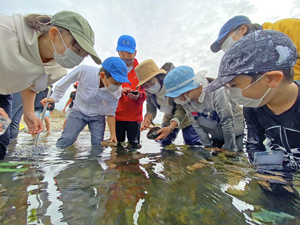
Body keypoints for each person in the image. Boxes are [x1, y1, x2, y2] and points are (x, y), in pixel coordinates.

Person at [0, 10, 101, 158]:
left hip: (4, 92)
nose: (78, 58)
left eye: (83, 54)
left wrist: (29, 112)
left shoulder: (57, 70)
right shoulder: (6, 32)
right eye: (76, 48)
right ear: (53, 33)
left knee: (3, 138)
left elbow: (31, 85)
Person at [204, 29, 300, 171]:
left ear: (272, 78)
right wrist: (272, 173)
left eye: (234, 85)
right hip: (282, 162)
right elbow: (254, 146)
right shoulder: (253, 107)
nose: (231, 93)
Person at [41, 57, 130, 148]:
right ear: (103, 75)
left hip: (97, 115)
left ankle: (94, 160)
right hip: (78, 111)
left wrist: (113, 135)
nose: (118, 86)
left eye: (121, 83)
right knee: (67, 139)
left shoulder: (116, 92)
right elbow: (66, 82)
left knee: (98, 144)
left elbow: (109, 112)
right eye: (115, 83)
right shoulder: (85, 72)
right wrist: (54, 97)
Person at [164, 66, 244, 151]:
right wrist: (208, 146)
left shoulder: (217, 93)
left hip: (236, 133)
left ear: (187, 91)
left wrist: (229, 149)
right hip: (216, 135)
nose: (177, 100)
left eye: (177, 96)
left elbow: (227, 122)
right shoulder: (187, 102)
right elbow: (197, 125)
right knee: (213, 157)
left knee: (233, 156)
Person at [210, 15, 300, 80]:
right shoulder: (252, 65)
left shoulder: (285, 28)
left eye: (225, 41)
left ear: (242, 29)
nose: (225, 48)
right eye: (222, 46)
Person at [135, 59, 201, 146]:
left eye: (150, 81)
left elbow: (181, 109)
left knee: (192, 142)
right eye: (145, 85)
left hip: (186, 114)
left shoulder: (172, 85)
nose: (149, 86)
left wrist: (170, 128)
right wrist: (148, 118)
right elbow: (151, 108)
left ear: (158, 76)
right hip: (168, 114)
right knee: (164, 141)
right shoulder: (149, 93)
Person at [115, 35, 146, 148]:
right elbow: (105, 89)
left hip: (134, 116)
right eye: (122, 54)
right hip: (117, 115)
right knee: (118, 146)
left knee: (134, 146)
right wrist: (119, 90)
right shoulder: (113, 69)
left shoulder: (141, 71)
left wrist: (139, 96)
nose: (126, 57)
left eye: (129, 54)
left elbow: (147, 91)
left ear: (135, 53)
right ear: (118, 52)